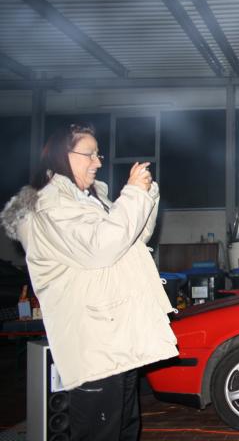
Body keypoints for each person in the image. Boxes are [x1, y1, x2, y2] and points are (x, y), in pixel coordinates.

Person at [0, 123, 178, 440]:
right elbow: (102, 248)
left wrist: (146, 196)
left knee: (124, 428)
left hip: (116, 337)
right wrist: (133, 194)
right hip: (95, 342)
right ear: (62, 155)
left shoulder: (89, 199)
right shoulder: (51, 204)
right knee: (101, 432)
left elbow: (132, 238)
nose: (97, 162)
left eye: (99, 154)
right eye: (90, 154)